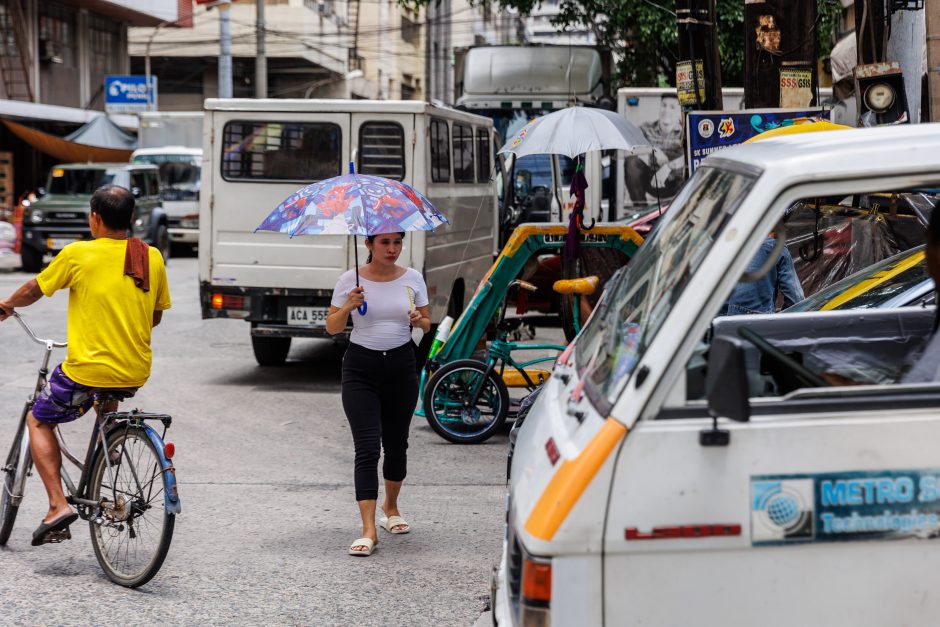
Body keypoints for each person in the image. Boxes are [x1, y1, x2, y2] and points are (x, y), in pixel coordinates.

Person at [0, 185, 171, 546]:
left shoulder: (78, 254)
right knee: (105, 405)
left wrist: (8, 305)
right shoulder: (150, 256)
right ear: (130, 218)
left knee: (39, 418)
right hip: (134, 369)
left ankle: (57, 506)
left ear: (94, 217)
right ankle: (104, 463)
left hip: (87, 370)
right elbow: (153, 316)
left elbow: (34, 289)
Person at [325, 232, 431, 557]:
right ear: (368, 245)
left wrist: (419, 320)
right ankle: (369, 529)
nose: (392, 249)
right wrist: (348, 307)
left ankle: (392, 507)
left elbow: (428, 323)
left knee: (397, 445)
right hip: (360, 368)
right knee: (367, 448)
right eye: (384, 243)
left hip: (401, 365)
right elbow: (331, 326)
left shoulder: (413, 279)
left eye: (397, 242)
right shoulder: (349, 280)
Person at [719, 235, 804, 316]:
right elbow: (796, 300)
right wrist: (780, 318)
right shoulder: (776, 247)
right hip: (758, 321)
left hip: (723, 320)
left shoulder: (726, 245)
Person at [625, 94, 685, 204]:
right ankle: (641, 210)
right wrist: (653, 150)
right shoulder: (647, 128)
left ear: (679, 112)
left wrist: (668, 167)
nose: (666, 110)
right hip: (652, 181)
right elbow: (625, 150)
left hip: (677, 185)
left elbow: (693, 154)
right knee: (631, 162)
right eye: (664, 105)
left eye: (672, 107)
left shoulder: (685, 132)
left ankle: (682, 209)